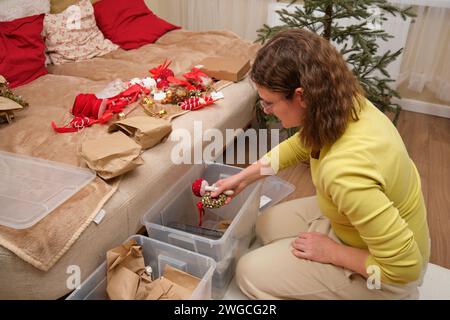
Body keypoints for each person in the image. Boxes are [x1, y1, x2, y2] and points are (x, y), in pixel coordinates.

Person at [211, 29, 430, 300]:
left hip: (387, 274)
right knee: (265, 224)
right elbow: (302, 144)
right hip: (360, 228)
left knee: (247, 272)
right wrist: (242, 178)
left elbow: (406, 268)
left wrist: (333, 253)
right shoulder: (345, 101)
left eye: (269, 103)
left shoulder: (344, 172)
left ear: (301, 96)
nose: (266, 111)